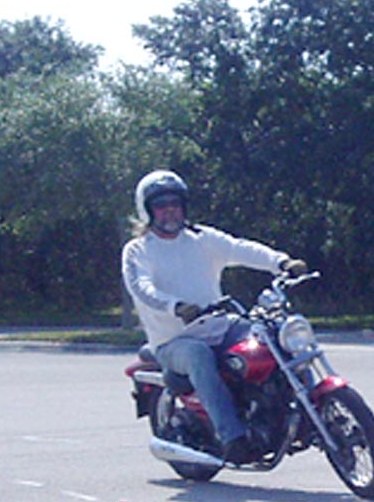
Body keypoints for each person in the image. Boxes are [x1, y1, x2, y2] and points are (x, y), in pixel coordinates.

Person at [121, 169, 306, 464]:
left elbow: (239, 248)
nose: (170, 210)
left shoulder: (201, 238)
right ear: (147, 210)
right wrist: (175, 306)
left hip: (220, 325)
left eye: (175, 203)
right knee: (198, 354)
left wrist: (281, 262)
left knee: (272, 336)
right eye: (161, 205)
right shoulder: (138, 251)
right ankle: (232, 437)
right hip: (174, 340)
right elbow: (142, 288)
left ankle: (304, 407)